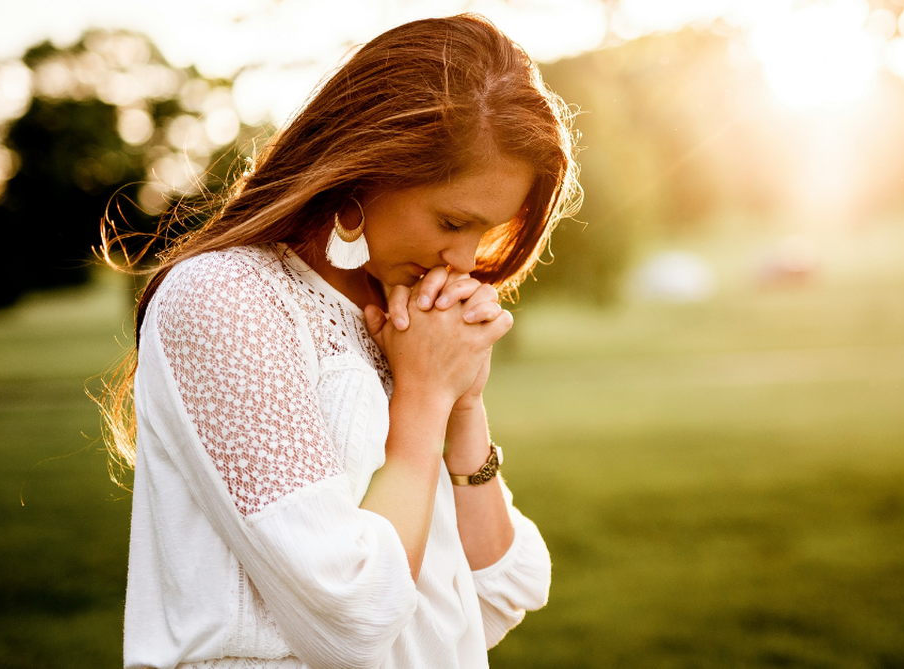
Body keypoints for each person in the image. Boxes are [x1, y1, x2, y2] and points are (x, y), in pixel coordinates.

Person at [98, 14, 580, 669]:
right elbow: (350, 618)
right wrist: (421, 403)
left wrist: (461, 403)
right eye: (451, 220)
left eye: (486, 230)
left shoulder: (398, 315)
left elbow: (497, 591)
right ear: (366, 171)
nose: (465, 259)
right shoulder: (227, 298)